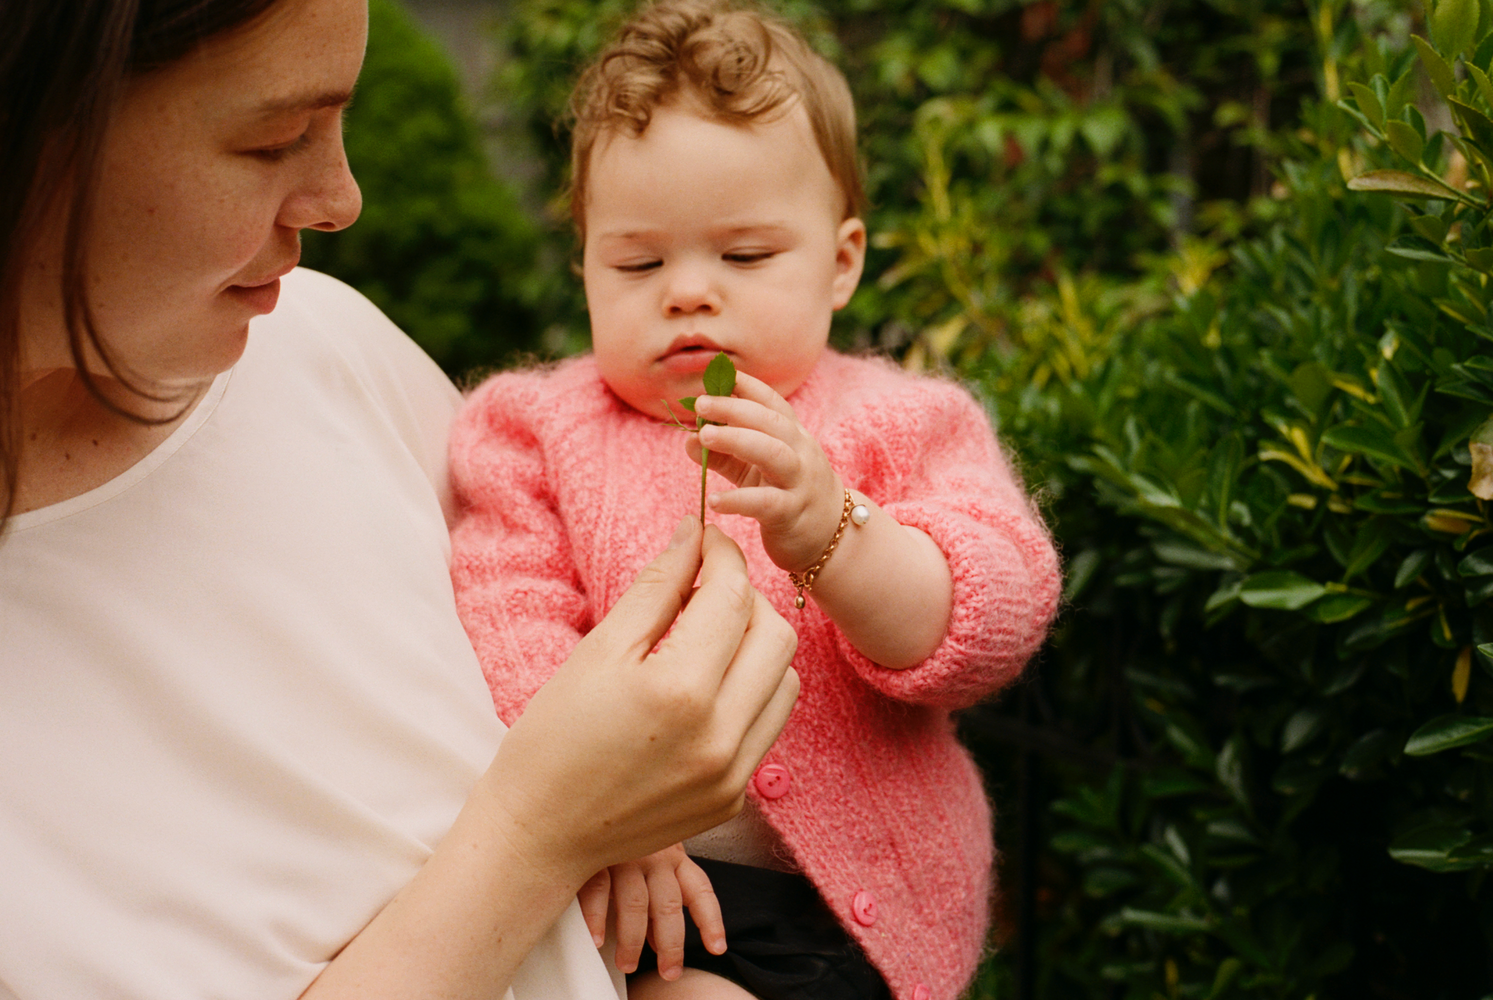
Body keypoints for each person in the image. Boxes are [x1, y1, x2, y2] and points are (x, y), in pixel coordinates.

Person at [0, 1, 802, 998]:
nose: (341, 198)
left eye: (338, 126)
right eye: (273, 139)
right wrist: (538, 831)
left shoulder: (322, 353)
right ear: (4, 143)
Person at [446, 3, 1062, 1000]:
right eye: (639, 263)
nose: (687, 292)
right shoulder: (529, 432)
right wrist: (603, 811)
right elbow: (507, 624)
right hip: (660, 908)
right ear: (585, 270)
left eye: (742, 257)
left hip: (873, 911)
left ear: (841, 259)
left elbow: (995, 613)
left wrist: (838, 536)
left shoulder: (905, 423)